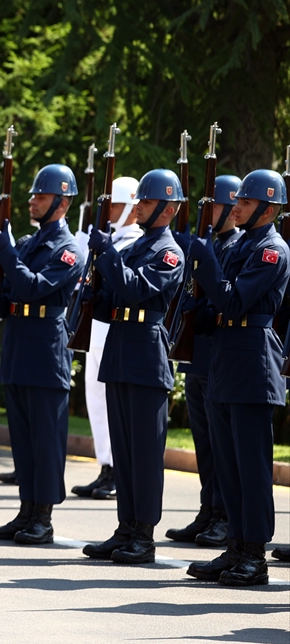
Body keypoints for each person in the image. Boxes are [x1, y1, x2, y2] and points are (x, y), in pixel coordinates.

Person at [186, 169, 289, 586]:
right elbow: (215, 306)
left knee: (252, 467)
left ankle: (254, 555)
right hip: (226, 362)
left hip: (253, 365)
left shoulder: (272, 250)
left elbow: (233, 299)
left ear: (268, 208)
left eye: (244, 204)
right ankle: (234, 546)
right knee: (227, 463)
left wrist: (206, 261)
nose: (236, 209)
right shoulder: (243, 244)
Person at [81, 168, 185, 564]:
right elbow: (111, 303)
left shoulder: (167, 252)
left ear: (167, 208)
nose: (137, 207)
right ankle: (125, 527)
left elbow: (137, 289)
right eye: (138, 200)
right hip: (122, 351)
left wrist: (107, 257)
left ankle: (144, 534)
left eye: (145, 201)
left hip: (146, 356)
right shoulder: (134, 249)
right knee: (123, 451)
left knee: (144, 453)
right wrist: (95, 277)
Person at [0, 165, 83, 544]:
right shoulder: (28, 242)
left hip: (45, 348)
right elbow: (13, 292)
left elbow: (33, 287)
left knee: (46, 438)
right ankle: (26, 509)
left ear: (62, 202)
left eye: (41, 196)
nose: (32, 201)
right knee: (22, 437)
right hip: (20, 344)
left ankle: (43, 516)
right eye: (33, 195)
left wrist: (7, 253)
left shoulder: (69, 250)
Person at [166, 175, 242, 545]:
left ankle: (225, 515)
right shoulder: (205, 244)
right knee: (203, 442)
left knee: (222, 442)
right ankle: (207, 510)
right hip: (197, 354)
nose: (207, 213)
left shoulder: (236, 246)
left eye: (213, 205)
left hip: (220, 356)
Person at [71, 176, 141, 499]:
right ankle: (105, 467)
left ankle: (118, 471)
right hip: (96, 329)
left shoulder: (133, 243)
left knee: (114, 404)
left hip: (116, 331)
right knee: (96, 403)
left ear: (130, 206)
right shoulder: (105, 240)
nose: (109, 210)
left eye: (114, 204)